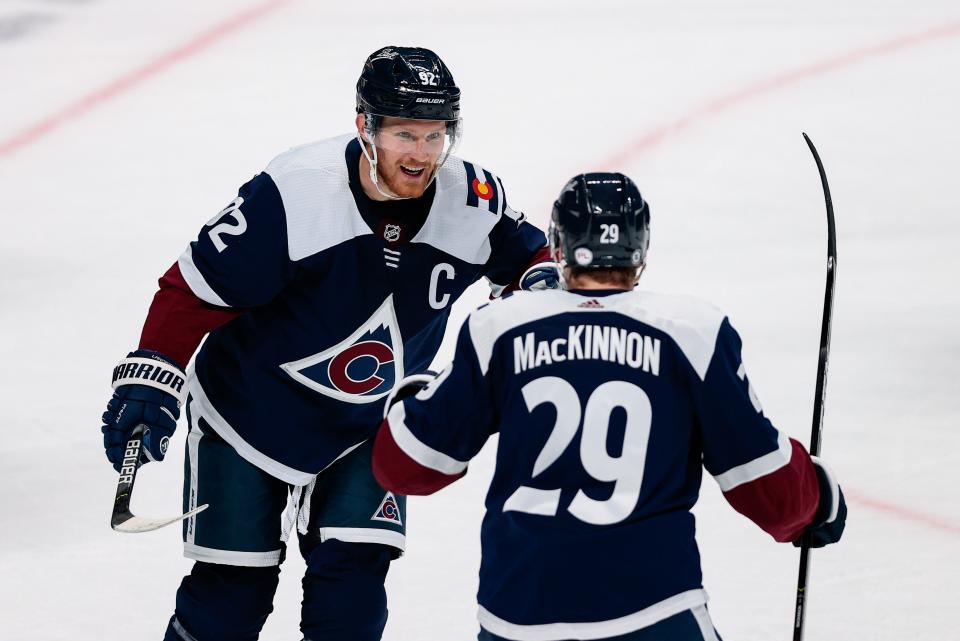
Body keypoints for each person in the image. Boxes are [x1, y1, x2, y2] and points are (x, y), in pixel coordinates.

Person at [99, 46, 557, 641]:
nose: (421, 154)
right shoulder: (293, 193)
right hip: (249, 416)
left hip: (368, 425)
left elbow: (533, 259)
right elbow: (193, 289)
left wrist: (542, 290)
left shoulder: (471, 198)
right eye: (404, 133)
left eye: (435, 135)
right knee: (231, 596)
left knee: (352, 592)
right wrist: (152, 369)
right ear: (366, 126)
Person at [371, 172, 847, 641]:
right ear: (639, 250)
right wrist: (816, 503)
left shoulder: (500, 327)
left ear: (558, 245)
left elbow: (409, 467)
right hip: (653, 609)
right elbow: (767, 487)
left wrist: (416, 394)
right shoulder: (692, 330)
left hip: (518, 613)